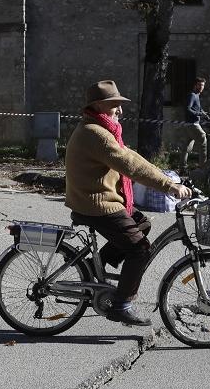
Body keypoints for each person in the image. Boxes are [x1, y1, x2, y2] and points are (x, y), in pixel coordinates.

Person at [65, 80, 193, 327]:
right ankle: (121, 305)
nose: (120, 110)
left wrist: (168, 177)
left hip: (97, 199)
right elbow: (129, 165)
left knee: (141, 224)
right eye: (115, 105)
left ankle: (94, 268)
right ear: (99, 105)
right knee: (140, 249)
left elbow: (130, 156)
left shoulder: (102, 129)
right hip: (96, 204)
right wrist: (169, 186)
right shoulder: (96, 134)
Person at [182, 77, 208, 169]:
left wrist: (207, 117)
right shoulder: (192, 95)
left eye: (203, 85)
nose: (202, 87)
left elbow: (199, 109)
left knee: (187, 147)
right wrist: (200, 114)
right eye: (200, 85)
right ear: (195, 85)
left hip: (189, 124)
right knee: (203, 140)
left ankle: (183, 167)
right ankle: (203, 167)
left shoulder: (196, 96)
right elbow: (188, 109)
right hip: (193, 124)